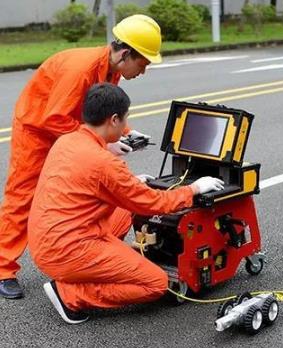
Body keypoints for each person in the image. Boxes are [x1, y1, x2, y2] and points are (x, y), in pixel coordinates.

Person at [27, 83, 224, 324]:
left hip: (45, 239)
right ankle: (70, 294)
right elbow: (154, 204)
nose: (125, 128)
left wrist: (128, 177)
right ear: (113, 119)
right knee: (157, 283)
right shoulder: (105, 164)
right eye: (125, 120)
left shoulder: (67, 141)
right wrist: (195, 189)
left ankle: (102, 267)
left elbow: (90, 183)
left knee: (124, 207)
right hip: (66, 250)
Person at [0, 14, 163, 299]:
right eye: (143, 63)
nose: (144, 71)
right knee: (22, 196)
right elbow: (55, 118)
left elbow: (103, 110)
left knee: (85, 191)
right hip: (37, 130)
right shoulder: (82, 68)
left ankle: (85, 254)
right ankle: (3, 269)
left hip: (68, 128)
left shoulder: (110, 68)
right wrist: (104, 143)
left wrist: (128, 132)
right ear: (125, 54)